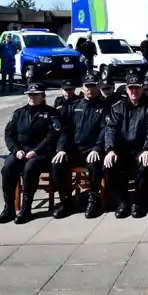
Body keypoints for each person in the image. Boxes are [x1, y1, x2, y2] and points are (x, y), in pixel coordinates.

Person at [0, 83, 61, 224]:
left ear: (43, 96)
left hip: (41, 153)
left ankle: (26, 210)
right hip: (20, 151)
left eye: (36, 94)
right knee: (7, 168)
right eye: (30, 95)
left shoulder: (51, 113)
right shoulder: (19, 113)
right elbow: (9, 135)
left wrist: (36, 151)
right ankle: (9, 208)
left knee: (30, 169)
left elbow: (52, 136)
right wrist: (16, 150)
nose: (32, 97)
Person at [103, 71, 148, 219]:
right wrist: (110, 150)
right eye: (131, 88)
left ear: (142, 88)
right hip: (122, 150)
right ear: (126, 89)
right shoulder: (117, 107)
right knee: (109, 165)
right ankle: (122, 201)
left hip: (142, 149)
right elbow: (110, 129)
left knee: (145, 164)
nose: (133, 91)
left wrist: (147, 149)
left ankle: (139, 202)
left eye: (136, 87)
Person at [50, 73, 108, 219]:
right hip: (75, 149)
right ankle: (66, 201)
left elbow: (105, 130)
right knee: (57, 163)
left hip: (93, 149)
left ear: (98, 87)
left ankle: (93, 200)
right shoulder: (74, 107)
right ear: (82, 88)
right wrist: (62, 149)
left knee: (95, 162)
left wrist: (97, 148)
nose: (90, 89)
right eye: (87, 86)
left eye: (93, 86)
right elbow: (66, 131)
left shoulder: (105, 107)